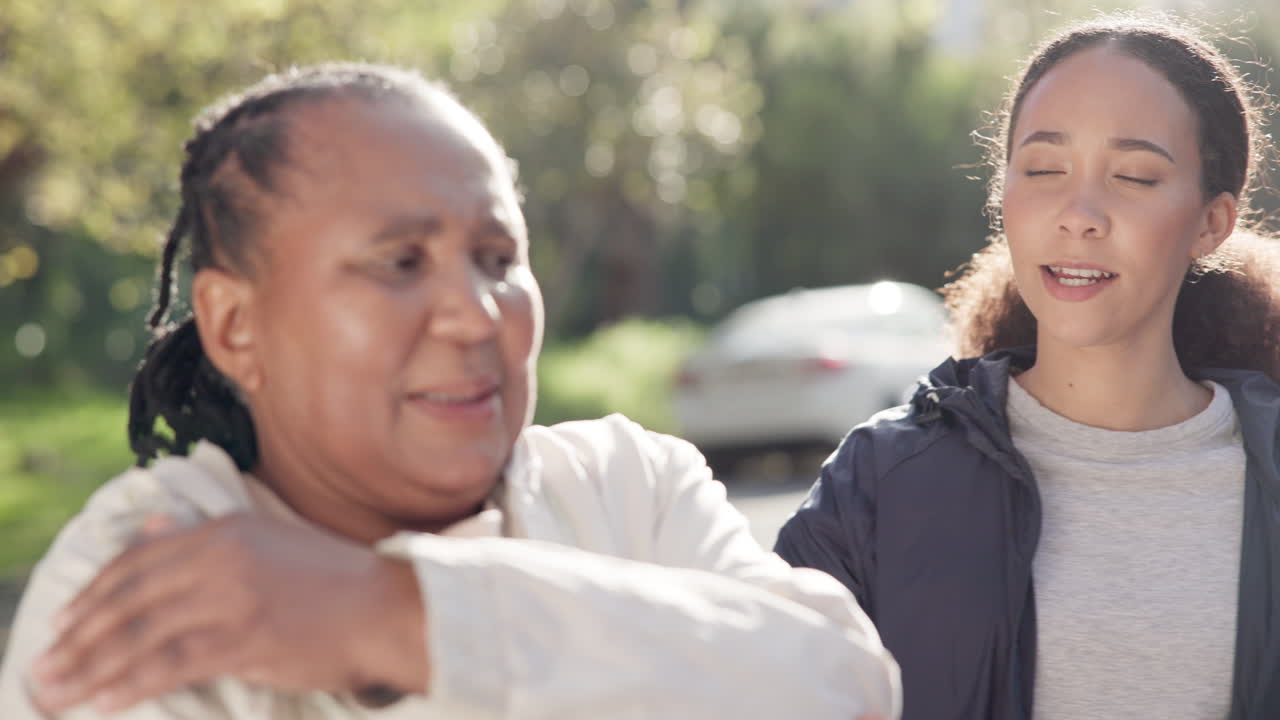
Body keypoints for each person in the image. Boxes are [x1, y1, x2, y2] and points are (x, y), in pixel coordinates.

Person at [0, 63, 901, 719]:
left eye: (498, 259)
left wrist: (398, 615)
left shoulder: (624, 487)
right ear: (236, 325)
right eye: (400, 262)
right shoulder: (143, 582)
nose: (476, 315)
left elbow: (843, 684)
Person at [774, 14, 1280, 720]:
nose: (1078, 214)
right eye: (1043, 170)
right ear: (1002, 196)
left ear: (1211, 223)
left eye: (1134, 176)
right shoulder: (879, 483)